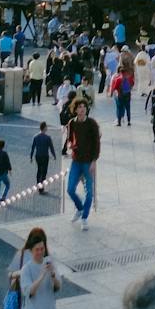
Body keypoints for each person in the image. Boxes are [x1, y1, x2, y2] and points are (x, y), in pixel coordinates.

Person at [9, 227, 63, 309]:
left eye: (42, 248)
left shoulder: (50, 262)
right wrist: (41, 275)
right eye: (37, 249)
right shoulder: (25, 265)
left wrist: (53, 275)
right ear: (31, 249)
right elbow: (30, 292)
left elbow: (58, 287)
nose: (40, 252)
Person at [63, 99, 100, 230]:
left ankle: (84, 218)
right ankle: (79, 208)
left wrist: (94, 161)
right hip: (76, 160)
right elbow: (68, 139)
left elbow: (97, 143)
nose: (82, 109)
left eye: (84, 107)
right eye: (79, 107)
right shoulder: (72, 123)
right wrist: (70, 145)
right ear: (75, 109)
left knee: (89, 193)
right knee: (70, 189)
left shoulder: (92, 124)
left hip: (88, 162)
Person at [30, 120, 56, 194]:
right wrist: (54, 155)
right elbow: (51, 147)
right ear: (44, 128)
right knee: (44, 172)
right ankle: (42, 188)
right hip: (45, 156)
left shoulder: (36, 137)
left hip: (38, 156)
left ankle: (38, 186)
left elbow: (33, 147)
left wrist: (31, 157)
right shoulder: (48, 137)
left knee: (39, 170)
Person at [109, 62, 134, 128]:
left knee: (119, 108)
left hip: (120, 95)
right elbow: (132, 84)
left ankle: (119, 122)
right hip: (128, 95)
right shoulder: (129, 78)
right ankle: (129, 122)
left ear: (120, 72)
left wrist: (111, 93)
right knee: (128, 109)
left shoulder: (118, 79)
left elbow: (115, 87)